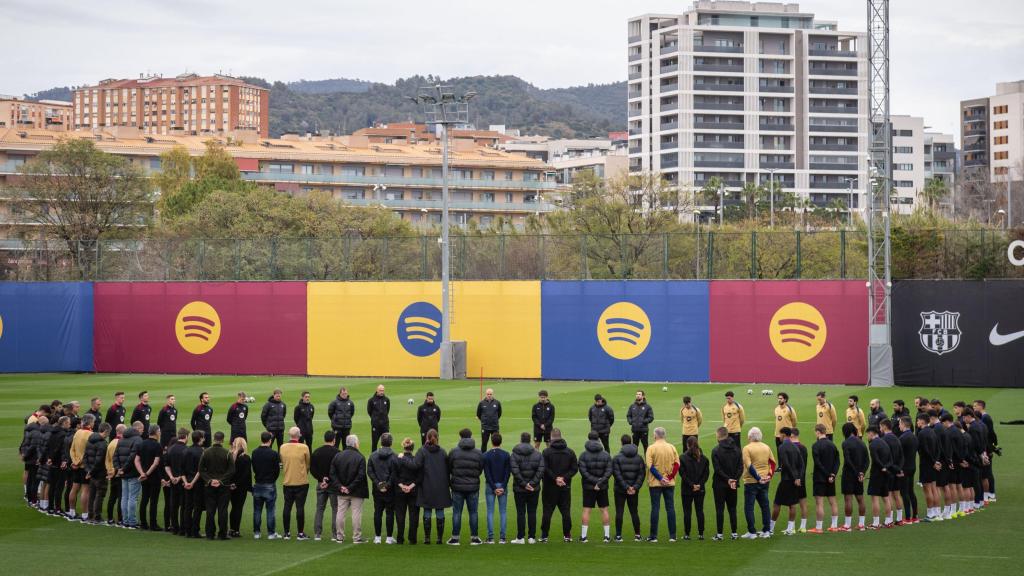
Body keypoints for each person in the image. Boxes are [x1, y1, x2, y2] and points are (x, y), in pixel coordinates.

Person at [415, 429, 452, 545]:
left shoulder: (422, 451)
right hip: (441, 485)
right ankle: (439, 538)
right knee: (439, 510)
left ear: (427, 438)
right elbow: (448, 469)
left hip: (426, 485)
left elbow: (416, 466)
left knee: (427, 510)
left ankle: (427, 538)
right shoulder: (442, 452)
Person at [447, 428, 484, 545]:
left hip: (457, 486)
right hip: (473, 486)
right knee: (473, 512)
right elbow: (480, 469)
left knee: (457, 512)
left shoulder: (454, 452)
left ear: (460, 437)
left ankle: (455, 538)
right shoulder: (478, 452)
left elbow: (449, 468)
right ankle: (474, 538)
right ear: (471, 436)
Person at [541, 428, 577, 543]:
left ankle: (544, 535)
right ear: (561, 437)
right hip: (565, 486)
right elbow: (574, 469)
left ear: (551, 437)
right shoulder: (570, 452)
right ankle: (567, 535)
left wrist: (556, 478)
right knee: (566, 511)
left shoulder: (546, 452)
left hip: (549, 486)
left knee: (547, 511)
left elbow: (545, 469)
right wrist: (564, 478)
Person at [331, 434, 369, 544]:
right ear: (355, 443)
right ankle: (356, 537)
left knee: (340, 512)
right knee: (356, 513)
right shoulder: (360, 457)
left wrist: (341, 487)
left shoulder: (338, 456)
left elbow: (332, 474)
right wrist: (350, 487)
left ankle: (339, 536)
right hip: (356, 491)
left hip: (342, 490)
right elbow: (361, 475)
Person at [199, 431, 235, 540]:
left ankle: (210, 533)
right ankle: (222, 533)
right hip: (223, 487)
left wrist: (210, 480)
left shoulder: (206, 452)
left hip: (209, 486)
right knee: (222, 510)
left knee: (210, 510)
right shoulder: (227, 453)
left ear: (214, 439)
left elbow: (201, 470)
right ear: (223, 440)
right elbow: (232, 470)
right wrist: (220, 481)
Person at [645, 426, 679, 542]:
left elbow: (650, 466)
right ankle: (673, 536)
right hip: (669, 483)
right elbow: (677, 465)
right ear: (664, 435)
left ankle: (653, 536)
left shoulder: (651, 448)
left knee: (655, 508)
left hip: (655, 483)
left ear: (655, 435)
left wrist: (660, 478)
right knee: (670, 508)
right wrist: (668, 478)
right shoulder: (672, 447)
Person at [578, 431, 612, 543]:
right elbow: (609, 471)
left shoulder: (583, 455)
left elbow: (583, 472)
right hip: (602, 487)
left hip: (588, 486)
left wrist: (594, 482)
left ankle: (583, 537)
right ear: (598, 439)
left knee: (587, 510)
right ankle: (606, 536)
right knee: (604, 510)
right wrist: (600, 482)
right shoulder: (606, 454)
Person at [510, 432, 544, 544]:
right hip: (533, 488)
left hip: (520, 488)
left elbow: (515, 471)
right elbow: (540, 470)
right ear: (530, 440)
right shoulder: (537, 454)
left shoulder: (515, 454)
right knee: (532, 512)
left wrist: (524, 484)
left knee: (521, 512)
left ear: (521, 440)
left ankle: (520, 537)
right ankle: (531, 537)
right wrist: (532, 484)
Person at [740, 426, 774, 539]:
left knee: (749, 507)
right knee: (765, 506)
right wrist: (768, 476)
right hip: (765, 481)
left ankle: (752, 532)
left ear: (749, 437)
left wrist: (758, 477)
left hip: (751, 481)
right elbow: (773, 463)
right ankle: (767, 530)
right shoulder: (766, 447)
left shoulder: (747, 448)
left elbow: (749, 465)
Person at [611, 434, 644, 542]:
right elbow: (641, 474)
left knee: (619, 511)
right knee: (634, 512)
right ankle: (637, 535)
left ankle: (619, 535)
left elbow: (617, 474)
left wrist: (626, 487)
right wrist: (634, 487)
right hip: (633, 490)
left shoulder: (617, 458)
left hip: (620, 489)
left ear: (621, 442)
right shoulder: (639, 458)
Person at [711, 426, 742, 541]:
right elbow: (740, 467)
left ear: (718, 436)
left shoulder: (716, 450)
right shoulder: (737, 449)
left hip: (720, 484)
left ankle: (719, 534)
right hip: (733, 483)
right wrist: (734, 479)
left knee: (720, 509)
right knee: (732, 508)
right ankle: (734, 533)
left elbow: (717, 469)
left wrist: (727, 479)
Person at [280, 426, 311, 540]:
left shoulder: (283, 447)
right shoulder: (304, 447)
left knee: (287, 506)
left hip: (288, 481)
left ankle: (287, 533)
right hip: (301, 481)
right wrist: (303, 473)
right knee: (300, 507)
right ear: (299, 435)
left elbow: (283, 462)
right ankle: (300, 533)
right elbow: (307, 464)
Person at [368, 432, 398, 544]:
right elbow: (395, 473)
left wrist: (378, 484)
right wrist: (387, 485)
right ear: (391, 443)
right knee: (390, 512)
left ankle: (377, 537)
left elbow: (370, 471)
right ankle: (389, 538)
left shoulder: (373, 455)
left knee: (378, 512)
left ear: (381, 442)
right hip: (390, 490)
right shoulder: (394, 456)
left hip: (377, 489)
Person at [310, 430, 340, 542]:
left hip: (320, 484)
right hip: (333, 484)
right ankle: (334, 534)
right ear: (334, 440)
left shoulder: (317, 452)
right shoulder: (337, 452)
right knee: (335, 509)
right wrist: (329, 479)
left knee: (319, 508)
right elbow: (338, 470)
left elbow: (312, 469)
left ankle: (317, 534)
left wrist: (321, 479)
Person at [113, 421, 144, 529]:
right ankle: (132, 521)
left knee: (124, 497)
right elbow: (133, 457)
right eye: (142, 429)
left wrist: (119, 469)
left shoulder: (121, 439)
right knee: (132, 498)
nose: (143, 431)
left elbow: (115, 455)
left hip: (123, 473)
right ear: (138, 429)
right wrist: (124, 468)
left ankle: (125, 520)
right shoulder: (138, 440)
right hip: (133, 473)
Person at [251, 431, 281, 540]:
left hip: (258, 483)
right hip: (269, 484)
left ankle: (257, 532)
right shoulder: (273, 453)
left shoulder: (254, 452)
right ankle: (271, 533)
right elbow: (277, 470)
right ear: (270, 440)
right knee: (270, 510)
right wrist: (272, 479)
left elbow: (254, 467)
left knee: (257, 510)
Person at [810, 424, 840, 533]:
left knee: (819, 503)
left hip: (820, 478)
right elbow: (837, 461)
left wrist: (827, 474)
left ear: (818, 432)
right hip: (831, 478)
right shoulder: (832, 445)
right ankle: (834, 526)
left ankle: (818, 528)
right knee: (833, 501)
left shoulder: (815, 446)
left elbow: (818, 463)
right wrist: (833, 474)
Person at [772, 427, 802, 536]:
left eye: (780, 435)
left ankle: (771, 528)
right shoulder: (795, 447)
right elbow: (801, 464)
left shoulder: (782, 447)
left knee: (777, 503)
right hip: (795, 480)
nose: (779, 437)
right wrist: (798, 477)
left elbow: (786, 463)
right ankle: (790, 529)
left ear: (784, 435)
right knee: (792, 504)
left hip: (786, 479)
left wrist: (794, 477)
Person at [482, 432, 511, 544]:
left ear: (491, 441)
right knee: (503, 512)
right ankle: (502, 538)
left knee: (490, 512)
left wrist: (494, 487)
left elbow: (487, 473)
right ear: (501, 442)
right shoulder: (506, 454)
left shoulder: (486, 455)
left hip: (491, 485)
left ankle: (490, 538)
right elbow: (507, 473)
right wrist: (502, 486)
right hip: (502, 485)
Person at [839, 422, 868, 531]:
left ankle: (847, 525)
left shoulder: (845, 443)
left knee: (848, 499)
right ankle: (861, 524)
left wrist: (856, 473)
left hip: (849, 474)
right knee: (860, 498)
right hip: (859, 474)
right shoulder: (862, 443)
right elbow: (867, 460)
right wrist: (862, 473)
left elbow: (848, 460)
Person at [680, 436, 709, 541]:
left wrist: (692, 485)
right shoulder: (704, 459)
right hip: (700, 489)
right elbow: (706, 475)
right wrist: (699, 485)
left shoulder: (682, 457)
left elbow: (683, 475)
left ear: (687, 445)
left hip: (687, 489)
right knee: (699, 511)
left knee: (687, 512)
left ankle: (687, 534)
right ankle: (701, 534)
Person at [393, 437, 420, 544]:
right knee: (414, 515)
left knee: (400, 514)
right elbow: (419, 476)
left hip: (400, 490)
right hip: (413, 490)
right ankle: (412, 538)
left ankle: (400, 538)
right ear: (412, 448)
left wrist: (402, 486)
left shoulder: (397, 459)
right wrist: (410, 486)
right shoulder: (415, 460)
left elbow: (394, 475)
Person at [68, 413, 94, 521]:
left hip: (76, 466)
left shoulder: (77, 432)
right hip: (85, 466)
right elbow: (88, 452)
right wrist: (80, 462)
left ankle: (72, 512)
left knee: (74, 488)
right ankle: (85, 514)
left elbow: (72, 449)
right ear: (91, 422)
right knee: (85, 490)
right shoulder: (91, 434)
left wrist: (75, 461)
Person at [865, 426, 893, 529]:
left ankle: (876, 523)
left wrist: (882, 467)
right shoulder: (884, 443)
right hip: (885, 474)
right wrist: (886, 468)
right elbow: (890, 459)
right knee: (886, 498)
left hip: (877, 474)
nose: (867, 436)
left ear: (871, 433)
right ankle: (888, 521)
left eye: (867, 434)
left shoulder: (872, 445)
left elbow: (875, 460)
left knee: (875, 499)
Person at [136, 424, 163, 530]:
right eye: (159, 431)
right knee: (153, 501)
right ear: (156, 432)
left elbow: (136, 460)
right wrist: (147, 473)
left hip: (144, 477)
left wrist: (142, 473)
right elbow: (156, 463)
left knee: (144, 499)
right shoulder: (158, 446)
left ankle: (143, 523)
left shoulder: (142, 443)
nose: (160, 433)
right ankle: (153, 524)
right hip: (154, 477)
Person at [83, 422, 110, 525]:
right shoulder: (102, 444)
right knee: (100, 494)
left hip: (92, 472)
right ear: (106, 431)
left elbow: (85, 457)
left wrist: (88, 470)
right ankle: (97, 516)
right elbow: (99, 461)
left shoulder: (90, 440)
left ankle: (90, 515)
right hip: (100, 473)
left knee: (92, 494)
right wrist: (91, 471)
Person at [915, 413, 940, 521]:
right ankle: (936, 512)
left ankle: (930, 514)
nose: (917, 423)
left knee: (927, 489)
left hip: (926, 464)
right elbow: (938, 447)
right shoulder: (932, 431)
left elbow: (925, 450)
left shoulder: (921, 433)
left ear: (922, 421)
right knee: (934, 488)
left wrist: (933, 462)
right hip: (934, 463)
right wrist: (937, 461)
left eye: (918, 421)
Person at [163, 428, 189, 535]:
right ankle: (183, 528)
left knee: (173, 504)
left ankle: (174, 527)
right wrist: (179, 477)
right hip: (182, 481)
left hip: (173, 480)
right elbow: (187, 468)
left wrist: (171, 477)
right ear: (186, 437)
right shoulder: (186, 450)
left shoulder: (170, 449)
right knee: (183, 505)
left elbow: (166, 465)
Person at [879, 418, 904, 525]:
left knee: (888, 495)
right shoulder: (897, 438)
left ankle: (889, 520)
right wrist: (899, 469)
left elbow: (886, 458)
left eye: (880, 427)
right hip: (897, 470)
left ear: (884, 426)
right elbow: (901, 456)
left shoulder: (884, 440)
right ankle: (899, 519)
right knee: (897, 495)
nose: (880, 429)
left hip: (888, 471)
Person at [972, 399, 997, 502]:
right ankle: (990, 493)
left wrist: (991, 448)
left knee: (987, 472)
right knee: (986, 472)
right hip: (986, 449)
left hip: (986, 449)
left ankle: (991, 493)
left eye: (975, 406)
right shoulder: (984, 418)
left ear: (980, 407)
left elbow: (990, 434)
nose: (973, 408)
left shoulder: (985, 418)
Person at [228, 437, 251, 538]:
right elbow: (246, 475)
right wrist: (237, 484)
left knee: (233, 508)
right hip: (241, 487)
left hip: (229, 486)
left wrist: (231, 483)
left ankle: (232, 529)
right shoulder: (245, 458)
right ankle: (236, 530)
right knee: (238, 508)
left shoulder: (229, 456)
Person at [897, 416, 919, 523]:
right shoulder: (914, 437)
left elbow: (899, 455)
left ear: (904, 424)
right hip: (912, 467)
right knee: (911, 492)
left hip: (904, 469)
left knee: (904, 493)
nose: (899, 425)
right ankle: (915, 516)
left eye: (900, 423)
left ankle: (907, 517)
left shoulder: (902, 438)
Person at [104, 423, 124, 525]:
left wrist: (109, 471)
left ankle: (110, 518)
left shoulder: (111, 442)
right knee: (121, 496)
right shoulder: (121, 443)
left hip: (111, 473)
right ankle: (120, 519)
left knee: (112, 497)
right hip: (118, 473)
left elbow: (107, 460)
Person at [367, 385, 391, 452]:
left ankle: (387, 456)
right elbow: (369, 411)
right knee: (374, 443)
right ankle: (373, 458)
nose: (382, 392)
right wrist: (375, 419)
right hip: (376, 425)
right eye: (380, 390)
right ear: (377, 390)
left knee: (386, 443)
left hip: (385, 425)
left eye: (383, 390)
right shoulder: (371, 400)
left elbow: (387, 410)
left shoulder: (387, 400)